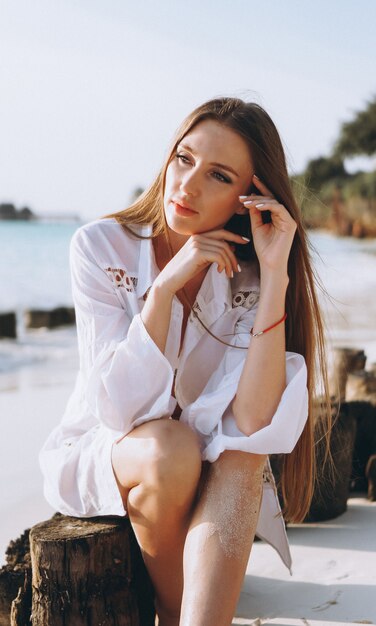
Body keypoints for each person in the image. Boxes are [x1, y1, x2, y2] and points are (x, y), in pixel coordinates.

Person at [39, 96, 331, 626]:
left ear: (251, 198)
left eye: (218, 175)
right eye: (184, 158)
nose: (188, 185)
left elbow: (253, 422)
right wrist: (165, 288)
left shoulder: (249, 277)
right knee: (170, 450)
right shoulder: (101, 247)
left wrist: (274, 275)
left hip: (207, 472)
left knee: (241, 455)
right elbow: (118, 409)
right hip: (117, 450)